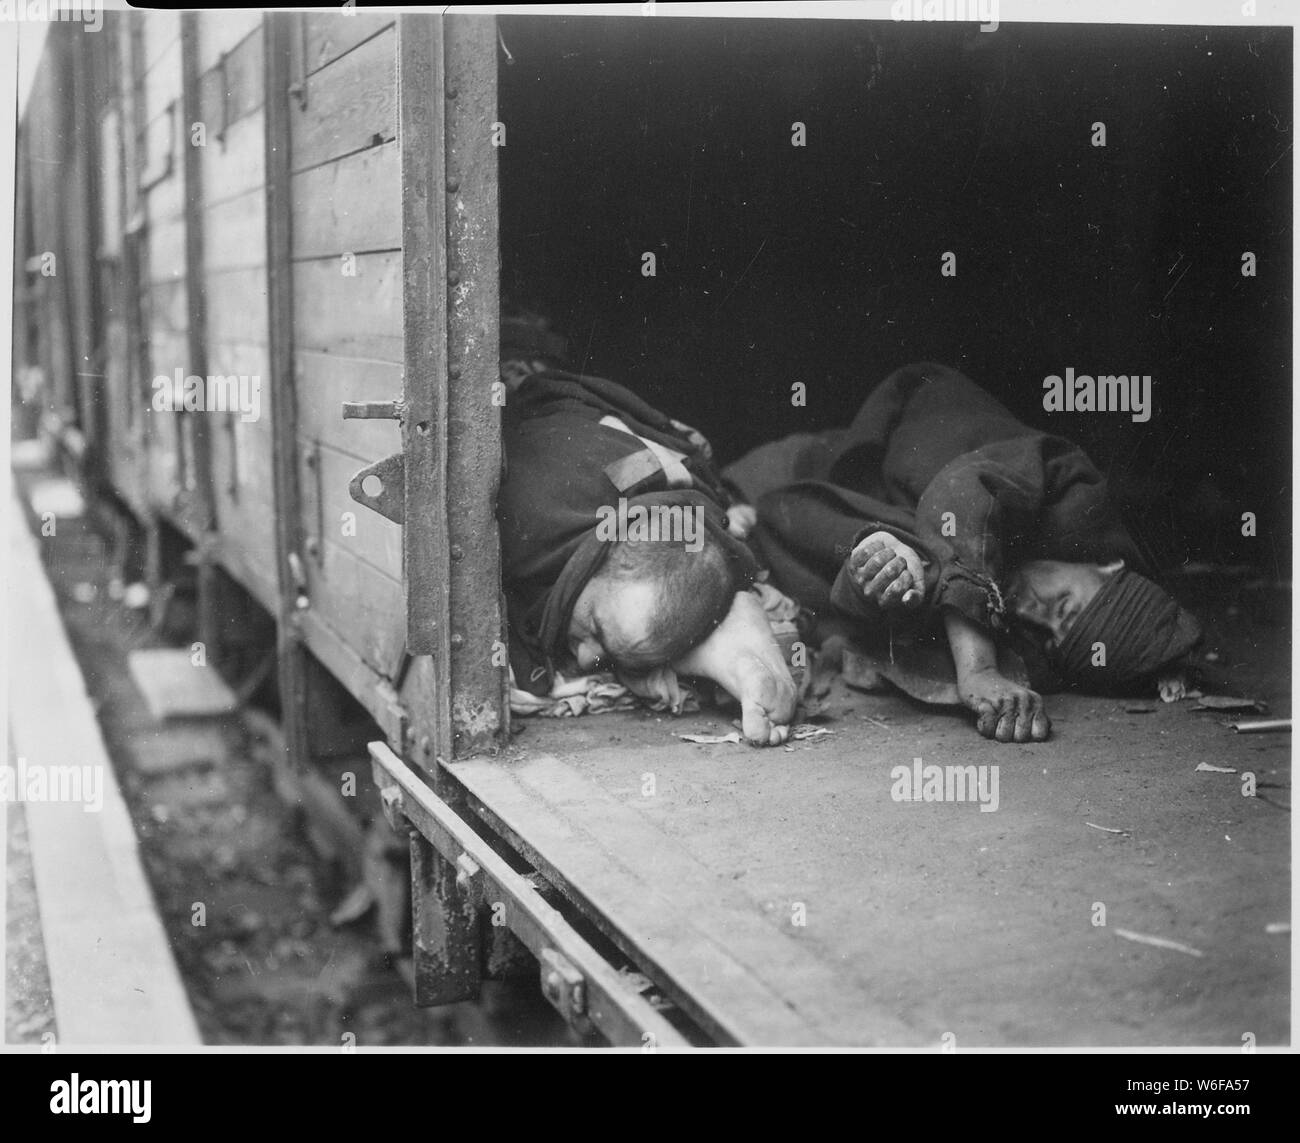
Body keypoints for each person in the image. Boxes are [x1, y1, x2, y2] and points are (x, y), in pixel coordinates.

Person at [723, 362, 1203, 744]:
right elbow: (962, 495)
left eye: (1052, 635)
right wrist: (979, 670)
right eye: (1061, 604)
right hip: (850, 453)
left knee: (806, 551)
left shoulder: (1041, 615)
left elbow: (948, 594)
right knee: (730, 501)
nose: (1033, 613)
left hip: (849, 511)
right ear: (1108, 565)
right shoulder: (1076, 497)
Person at [496, 324, 797, 746]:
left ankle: (716, 637)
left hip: (661, 485)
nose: (585, 658)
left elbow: (697, 510)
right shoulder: (536, 503)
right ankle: (718, 633)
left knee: (679, 588)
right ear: (598, 556)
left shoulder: (664, 513)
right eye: (596, 632)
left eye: (600, 647)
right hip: (533, 376)